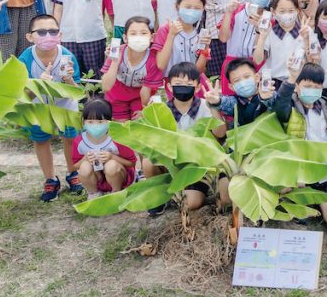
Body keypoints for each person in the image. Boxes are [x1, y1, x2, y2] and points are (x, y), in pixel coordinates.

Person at [271, 62, 327, 229]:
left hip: (326, 173)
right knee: (290, 188)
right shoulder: (291, 106)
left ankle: (317, 205)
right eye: (307, 85)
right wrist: (290, 78)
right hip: (299, 173)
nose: (313, 89)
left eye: (317, 86)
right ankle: (297, 202)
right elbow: (279, 105)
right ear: (297, 87)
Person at [145, 62, 227, 217]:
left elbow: (221, 133)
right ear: (169, 86)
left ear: (197, 87)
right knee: (148, 162)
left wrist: (214, 106)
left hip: (197, 165)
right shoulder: (162, 110)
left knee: (192, 203)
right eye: (178, 84)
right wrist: (150, 114)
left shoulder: (205, 106)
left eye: (189, 84)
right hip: (173, 163)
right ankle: (160, 197)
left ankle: (183, 191)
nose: (183, 87)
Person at [17, 14, 83, 201]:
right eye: (42, 32)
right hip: (38, 108)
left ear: (60, 34)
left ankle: (73, 174)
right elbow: (23, 95)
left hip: (65, 107)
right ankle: (50, 179)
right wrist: (38, 85)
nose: (48, 35)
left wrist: (69, 80)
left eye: (53, 31)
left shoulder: (67, 57)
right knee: (41, 140)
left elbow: (76, 92)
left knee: (70, 138)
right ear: (30, 36)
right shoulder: (26, 59)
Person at [100, 16, 164, 121]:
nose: (138, 37)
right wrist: (115, 61)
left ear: (152, 37)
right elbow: (106, 86)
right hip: (117, 93)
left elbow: (146, 90)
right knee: (121, 127)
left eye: (143, 33)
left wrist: (145, 110)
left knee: (138, 123)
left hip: (139, 95)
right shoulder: (117, 51)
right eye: (133, 34)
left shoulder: (153, 60)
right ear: (125, 38)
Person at [73, 98, 137, 199]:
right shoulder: (79, 141)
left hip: (120, 177)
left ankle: (117, 193)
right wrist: (85, 159)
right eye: (90, 122)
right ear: (84, 122)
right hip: (97, 178)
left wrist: (112, 157)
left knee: (111, 166)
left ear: (109, 121)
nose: (95, 125)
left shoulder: (117, 137)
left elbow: (132, 163)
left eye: (100, 122)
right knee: (84, 167)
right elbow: (75, 166)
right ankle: (94, 194)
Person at [152, 0, 212, 79]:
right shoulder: (166, 30)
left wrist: (205, 49)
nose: (192, 11)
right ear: (177, 6)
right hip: (168, 84)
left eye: (197, 8)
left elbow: (199, 71)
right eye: (188, 7)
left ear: (203, 9)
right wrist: (171, 35)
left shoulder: (201, 34)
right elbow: (161, 65)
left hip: (191, 84)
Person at [253, 0, 307, 85]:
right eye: (282, 11)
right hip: (272, 82)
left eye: (291, 11)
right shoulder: (269, 32)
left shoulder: (305, 32)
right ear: (273, 11)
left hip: (297, 82)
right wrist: (262, 36)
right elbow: (257, 60)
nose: (287, 14)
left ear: (298, 10)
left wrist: (307, 39)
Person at [214, 58, 271, 127]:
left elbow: (282, 109)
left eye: (247, 77)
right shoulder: (234, 102)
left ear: (257, 77)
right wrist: (216, 100)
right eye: (237, 80)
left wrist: (265, 99)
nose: (243, 83)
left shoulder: (269, 95)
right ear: (231, 87)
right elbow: (223, 102)